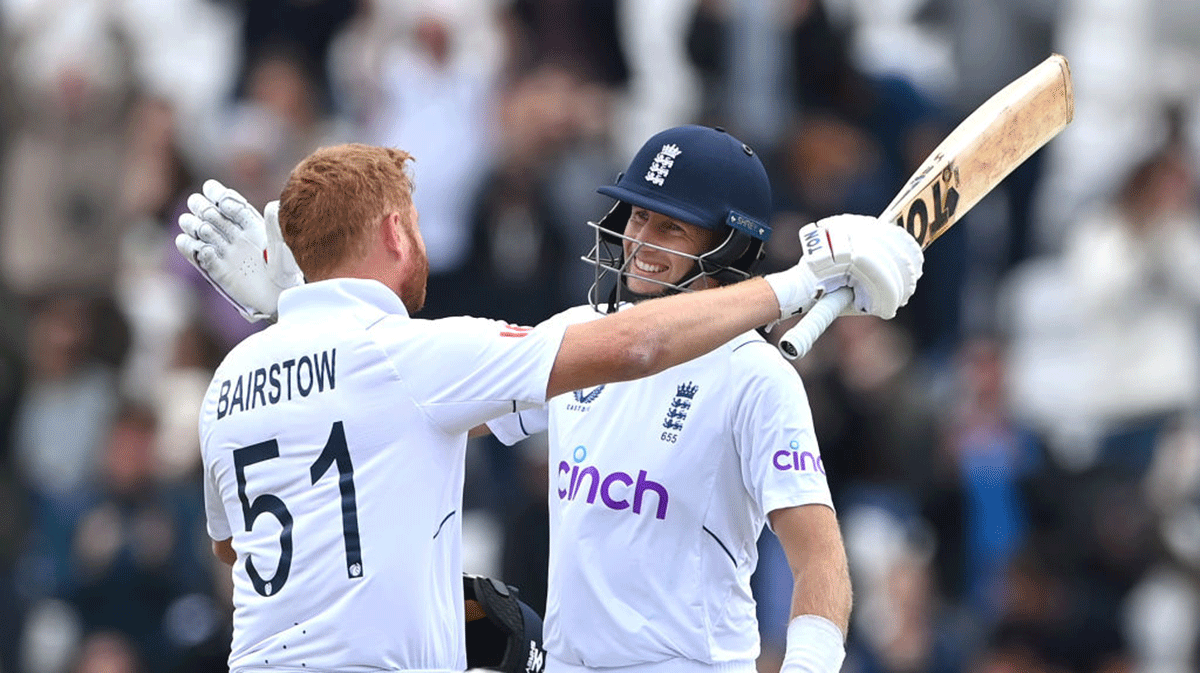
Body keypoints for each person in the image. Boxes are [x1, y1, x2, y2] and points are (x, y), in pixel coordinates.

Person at [176, 139, 922, 673]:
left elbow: (821, 560)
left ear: (729, 244)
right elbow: (391, 400)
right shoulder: (577, 334)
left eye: (669, 225)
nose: (638, 240)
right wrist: (306, 315)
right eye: (635, 217)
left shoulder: (760, 378)